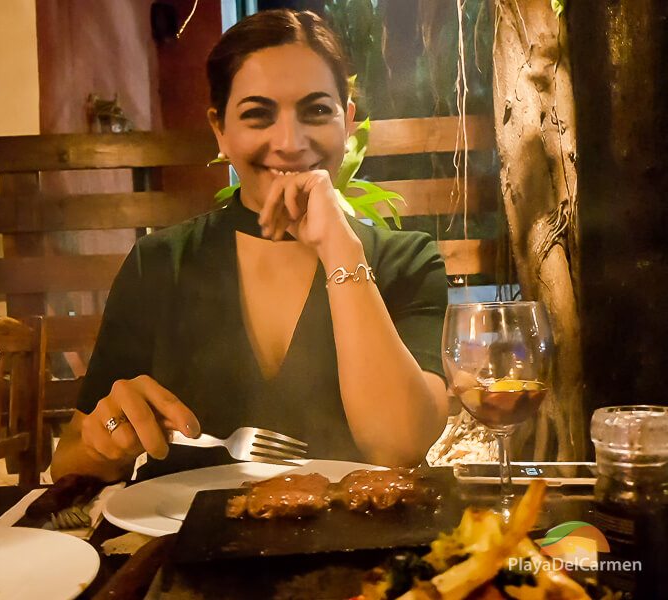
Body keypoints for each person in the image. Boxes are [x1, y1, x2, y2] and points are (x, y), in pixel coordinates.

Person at [50, 9, 448, 483]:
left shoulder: (409, 261)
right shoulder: (160, 265)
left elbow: (397, 446)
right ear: (220, 129)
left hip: (358, 547)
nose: (289, 141)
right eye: (258, 115)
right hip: (181, 547)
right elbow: (69, 460)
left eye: (317, 111)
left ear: (348, 122)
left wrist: (341, 249)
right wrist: (106, 443)